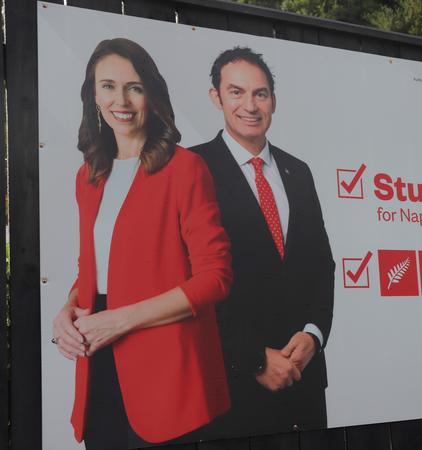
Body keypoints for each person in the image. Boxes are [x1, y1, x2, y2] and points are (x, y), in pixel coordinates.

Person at [51, 38, 233, 449]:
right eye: (109, 86)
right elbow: (91, 272)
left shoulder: (186, 168)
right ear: (93, 95)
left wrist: (121, 319)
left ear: (151, 93)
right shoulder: (89, 176)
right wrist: (67, 310)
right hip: (99, 366)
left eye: (134, 86)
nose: (122, 100)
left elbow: (216, 278)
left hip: (169, 375)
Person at [191, 46, 335, 437]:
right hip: (230, 388)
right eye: (236, 92)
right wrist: (252, 361)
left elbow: (321, 266)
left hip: (303, 383)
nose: (250, 105)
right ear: (215, 97)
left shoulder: (298, 171)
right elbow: (186, 283)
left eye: (260, 93)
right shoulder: (190, 169)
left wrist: (314, 335)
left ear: (273, 100)